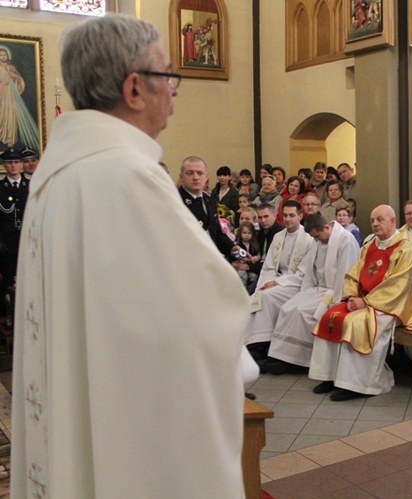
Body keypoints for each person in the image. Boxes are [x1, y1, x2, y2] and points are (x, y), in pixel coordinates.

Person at [11, 14, 257, 497]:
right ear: (134, 90)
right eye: (168, 75)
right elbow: (199, 319)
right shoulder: (128, 178)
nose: (176, 90)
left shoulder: (58, 174)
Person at [309, 205, 412, 401]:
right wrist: (351, 297)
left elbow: (399, 286)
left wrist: (366, 301)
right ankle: (330, 376)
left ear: (393, 221)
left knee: (356, 323)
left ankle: (357, 385)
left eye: (380, 219)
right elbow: (353, 274)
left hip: (397, 305)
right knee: (329, 316)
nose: (375, 224)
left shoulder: (406, 249)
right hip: (365, 300)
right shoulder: (370, 246)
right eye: (372, 220)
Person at [263, 214, 360, 374]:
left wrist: (337, 301)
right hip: (317, 288)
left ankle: (298, 361)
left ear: (327, 227)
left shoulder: (345, 241)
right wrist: (304, 292)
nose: (315, 240)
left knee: (302, 312)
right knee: (288, 307)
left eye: (317, 236)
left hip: (334, 291)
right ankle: (279, 356)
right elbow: (310, 271)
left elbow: (345, 275)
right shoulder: (320, 240)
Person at [244, 200, 313, 359]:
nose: (288, 219)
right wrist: (263, 284)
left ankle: (263, 344)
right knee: (256, 297)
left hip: (295, 284)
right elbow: (268, 266)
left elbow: (303, 273)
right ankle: (251, 342)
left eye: (292, 215)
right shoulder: (278, 236)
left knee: (267, 297)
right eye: (285, 215)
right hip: (276, 279)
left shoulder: (308, 239)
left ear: (300, 216)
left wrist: (275, 283)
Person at [178, 156, 237, 257]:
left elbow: (216, 231)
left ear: (206, 177)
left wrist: (231, 247)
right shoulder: (176, 202)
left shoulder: (209, 200)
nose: (195, 177)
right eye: (190, 173)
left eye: (200, 173)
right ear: (181, 177)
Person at [0, 147, 29, 304]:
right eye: (10, 162)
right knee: (9, 283)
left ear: (21, 164)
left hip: (28, 241)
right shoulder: (1, 188)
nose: (13, 166)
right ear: (4, 165)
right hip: (8, 245)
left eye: (16, 162)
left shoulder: (32, 186)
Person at [232, 221, 261, 294]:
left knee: (254, 277)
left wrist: (253, 259)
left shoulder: (254, 244)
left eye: (249, 233)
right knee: (242, 275)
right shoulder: (237, 244)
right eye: (244, 233)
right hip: (239, 266)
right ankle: (241, 293)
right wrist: (240, 259)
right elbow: (233, 255)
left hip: (250, 266)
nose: (247, 235)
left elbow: (258, 255)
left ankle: (249, 293)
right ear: (240, 233)